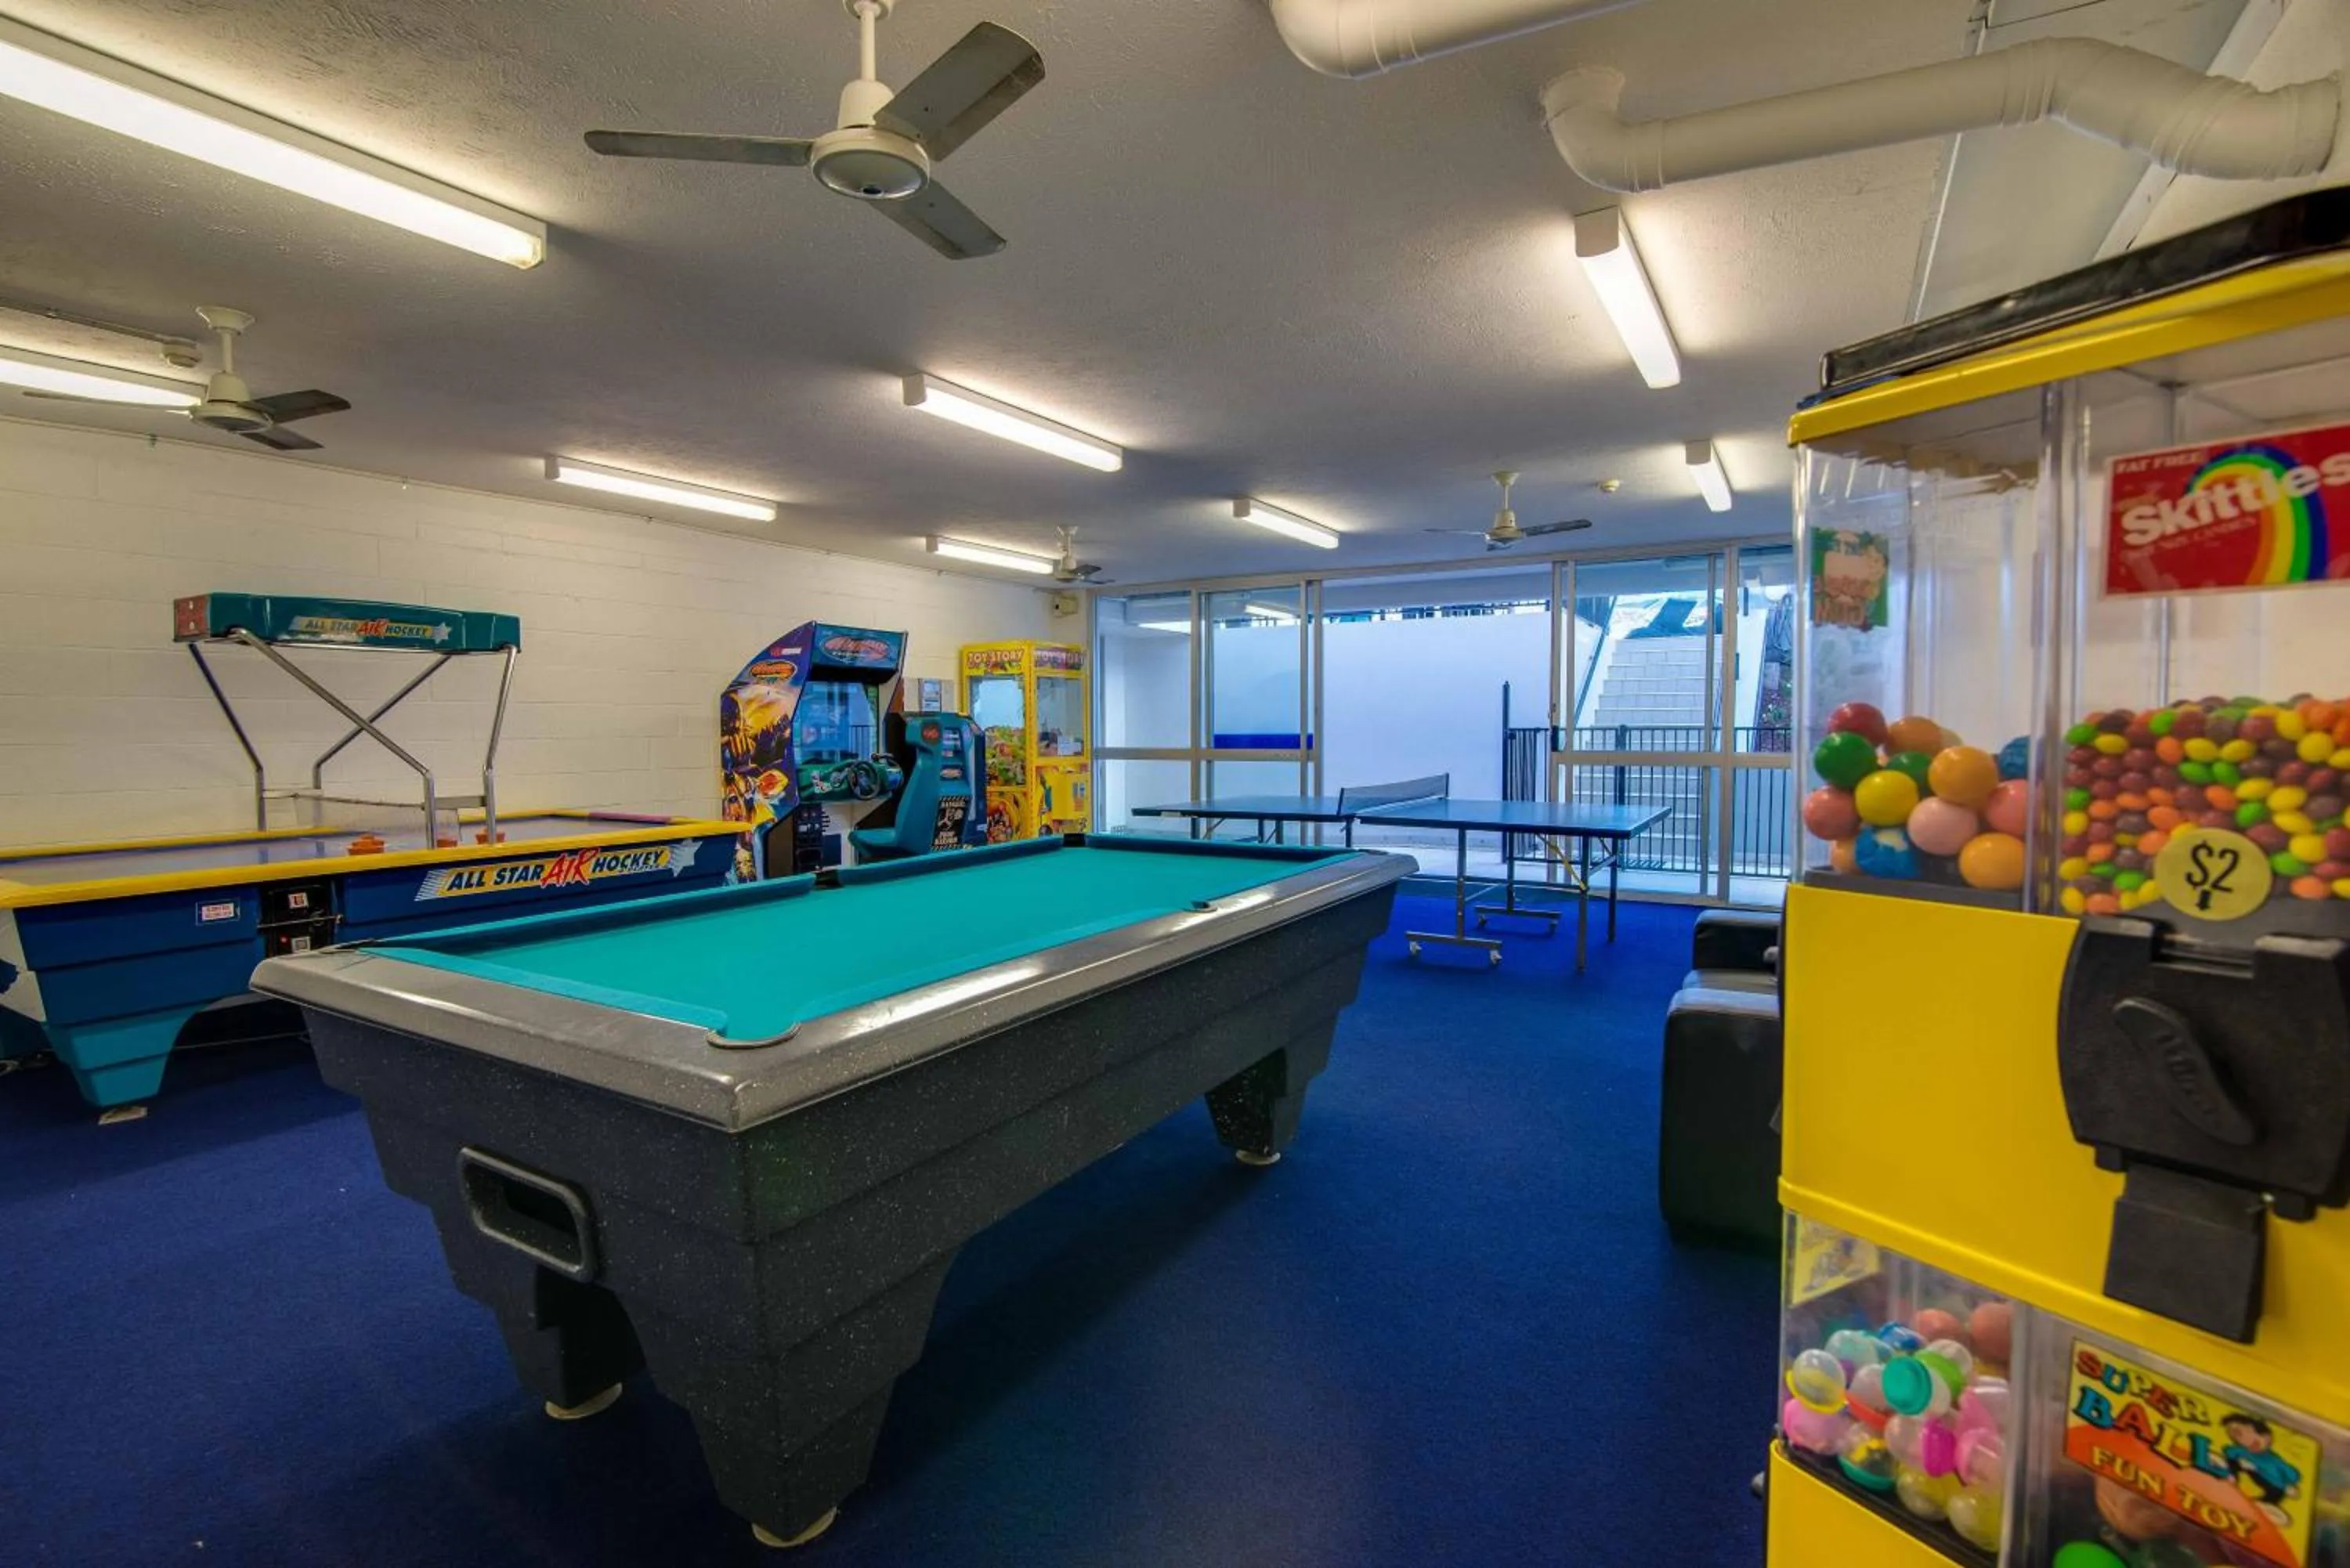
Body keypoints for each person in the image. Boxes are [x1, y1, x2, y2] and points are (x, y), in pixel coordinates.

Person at [2221, 1413, 2302, 1526]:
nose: (2249, 1441)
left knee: (2275, 1502)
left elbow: (2291, 1473)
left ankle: (2263, 1508)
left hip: (2276, 1486)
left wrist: (2290, 1483)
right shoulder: (2241, 1452)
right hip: (2254, 1477)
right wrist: (2235, 1470)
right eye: (2237, 1436)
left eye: (2257, 1433)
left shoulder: (2274, 1460)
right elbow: (2229, 1454)